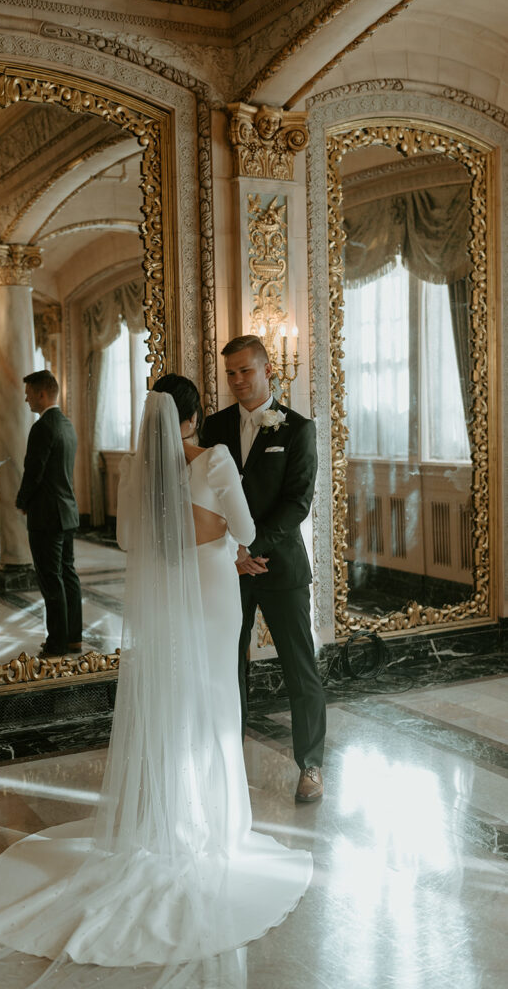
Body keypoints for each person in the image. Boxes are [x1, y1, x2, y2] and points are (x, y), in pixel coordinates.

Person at [0, 382, 312, 989]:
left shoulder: (137, 473)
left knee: (170, 703)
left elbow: (133, 541)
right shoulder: (215, 459)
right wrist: (221, 534)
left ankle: (161, 821)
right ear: (193, 417)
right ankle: (213, 828)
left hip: (166, 599)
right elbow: (242, 530)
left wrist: (185, 528)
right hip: (214, 593)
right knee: (214, 703)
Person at [200, 335, 327, 804]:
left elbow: (297, 502)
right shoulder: (213, 427)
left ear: (268, 369)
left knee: (300, 669)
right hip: (227, 568)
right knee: (227, 668)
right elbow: (204, 495)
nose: (236, 380)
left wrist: (252, 545)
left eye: (245, 371)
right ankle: (226, 762)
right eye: (230, 372)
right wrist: (233, 550)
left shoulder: (297, 428)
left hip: (280, 566)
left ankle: (311, 765)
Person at [16, 370, 83, 656]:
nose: (26, 398)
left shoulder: (42, 427)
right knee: (67, 575)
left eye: (29, 393)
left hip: (46, 515)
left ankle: (57, 642)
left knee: (50, 578)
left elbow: (34, 471)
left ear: (42, 394)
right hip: (67, 512)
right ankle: (72, 637)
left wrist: (22, 500)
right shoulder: (67, 424)